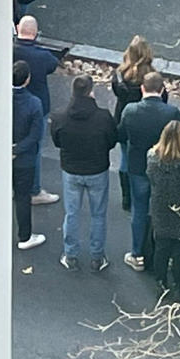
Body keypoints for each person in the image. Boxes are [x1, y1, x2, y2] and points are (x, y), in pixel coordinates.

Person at [50, 73, 118, 272]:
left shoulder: (60, 116)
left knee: (71, 213)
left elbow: (57, 142)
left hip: (71, 170)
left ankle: (70, 254)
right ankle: (97, 257)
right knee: (98, 214)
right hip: (97, 170)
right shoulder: (103, 117)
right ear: (91, 92)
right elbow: (112, 141)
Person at [117, 70, 180, 271]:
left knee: (139, 210)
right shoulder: (172, 113)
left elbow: (121, 135)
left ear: (142, 88)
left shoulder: (130, 110)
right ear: (162, 90)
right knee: (162, 210)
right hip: (164, 166)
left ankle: (137, 254)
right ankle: (163, 254)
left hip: (137, 166)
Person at [13, 15, 61, 206]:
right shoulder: (41, 56)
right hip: (37, 106)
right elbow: (52, 64)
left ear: (18, 29)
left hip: (10, 103)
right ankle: (34, 190)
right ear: (35, 32)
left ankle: (10, 185)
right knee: (34, 149)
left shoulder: (9, 49)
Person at [147, 119, 180, 301]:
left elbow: (151, 179)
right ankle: (179, 286)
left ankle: (161, 283)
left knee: (161, 247)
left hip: (160, 207)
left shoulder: (152, 157)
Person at [111, 35, 156, 211]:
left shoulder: (120, 76)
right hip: (146, 123)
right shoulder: (151, 77)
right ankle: (143, 196)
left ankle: (126, 198)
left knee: (125, 158)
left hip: (124, 121)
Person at [11, 60, 47, 251]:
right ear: (27, 80)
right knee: (22, 197)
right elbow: (35, 135)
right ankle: (25, 236)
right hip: (24, 159)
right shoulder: (34, 103)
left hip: (1, 158)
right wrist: (16, 150)